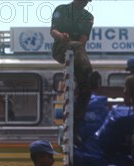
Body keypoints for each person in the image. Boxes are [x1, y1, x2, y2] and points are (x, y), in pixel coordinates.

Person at [51, 0, 94, 146]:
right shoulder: (61, 9)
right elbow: (53, 30)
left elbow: (83, 40)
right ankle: (89, 71)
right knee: (74, 45)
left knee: (86, 89)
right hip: (61, 49)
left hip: (78, 54)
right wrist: (61, 36)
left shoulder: (88, 16)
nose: (86, 3)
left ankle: (76, 123)